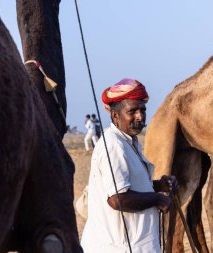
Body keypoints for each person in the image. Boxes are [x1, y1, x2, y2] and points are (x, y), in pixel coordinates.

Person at [81, 78, 178, 253]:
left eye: (143, 110)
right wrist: (157, 199)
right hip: (120, 247)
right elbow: (117, 198)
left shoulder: (129, 142)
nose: (140, 116)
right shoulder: (113, 145)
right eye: (132, 111)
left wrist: (158, 186)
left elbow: (128, 185)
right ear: (115, 116)